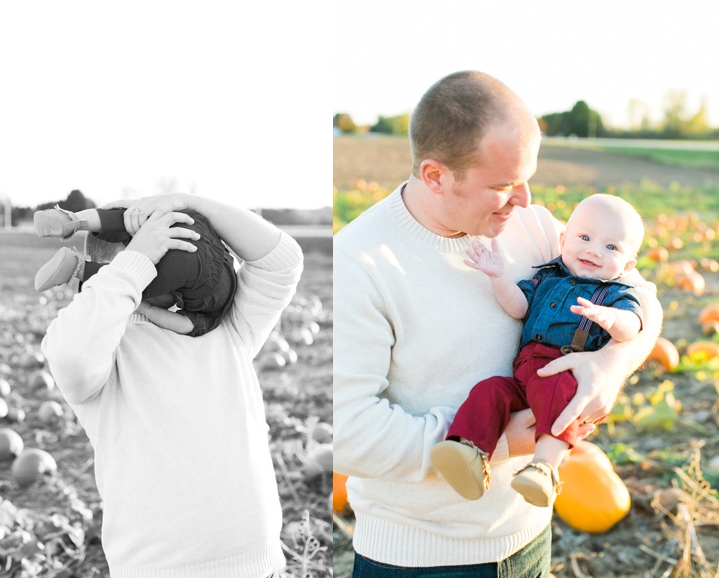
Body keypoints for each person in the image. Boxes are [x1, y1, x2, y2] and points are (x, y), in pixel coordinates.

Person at [333, 70, 662, 577]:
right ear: (436, 175)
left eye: (527, 177)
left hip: (527, 536)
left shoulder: (529, 227)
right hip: (421, 559)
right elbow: (350, 433)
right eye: (505, 184)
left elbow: (642, 296)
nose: (526, 199)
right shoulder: (359, 263)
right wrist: (501, 440)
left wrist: (613, 364)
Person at [41, 193, 303, 577]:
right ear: (113, 273)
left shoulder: (227, 330)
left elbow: (281, 262)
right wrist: (137, 260)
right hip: (158, 568)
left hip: (257, 565)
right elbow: (71, 358)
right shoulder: (103, 353)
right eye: (154, 258)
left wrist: (185, 202)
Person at [431, 194, 645, 508]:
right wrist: (498, 276)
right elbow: (518, 307)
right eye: (584, 237)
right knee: (490, 390)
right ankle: (468, 451)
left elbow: (634, 325)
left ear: (627, 265)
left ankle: (544, 467)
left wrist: (613, 319)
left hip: (562, 371)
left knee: (560, 395)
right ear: (563, 239)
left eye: (611, 247)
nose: (593, 250)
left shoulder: (615, 293)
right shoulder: (546, 276)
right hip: (522, 373)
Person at [33, 204, 237, 337]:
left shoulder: (211, 314)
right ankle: (75, 254)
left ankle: (74, 224)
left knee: (126, 230)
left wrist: (144, 307)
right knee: (128, 226)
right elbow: (182, 324)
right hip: (192, 238)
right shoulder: (213, 310)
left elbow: (183, 324)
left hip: (194, 240)